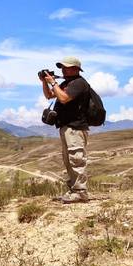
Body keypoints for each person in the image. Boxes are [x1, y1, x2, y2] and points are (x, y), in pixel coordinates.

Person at [39, 56, 90, 204]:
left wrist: (53, 82)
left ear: (76, 68)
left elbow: (63, 98)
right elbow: (50, 95)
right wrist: (45, 83)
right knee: (68, 160)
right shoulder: (65, 83)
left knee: (77, 159)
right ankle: (74, 189)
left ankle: (80, 192)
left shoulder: (80, 83)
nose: (63, 70)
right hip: (66, 127)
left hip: (76, 127)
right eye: (62, 67)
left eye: (66, 67)